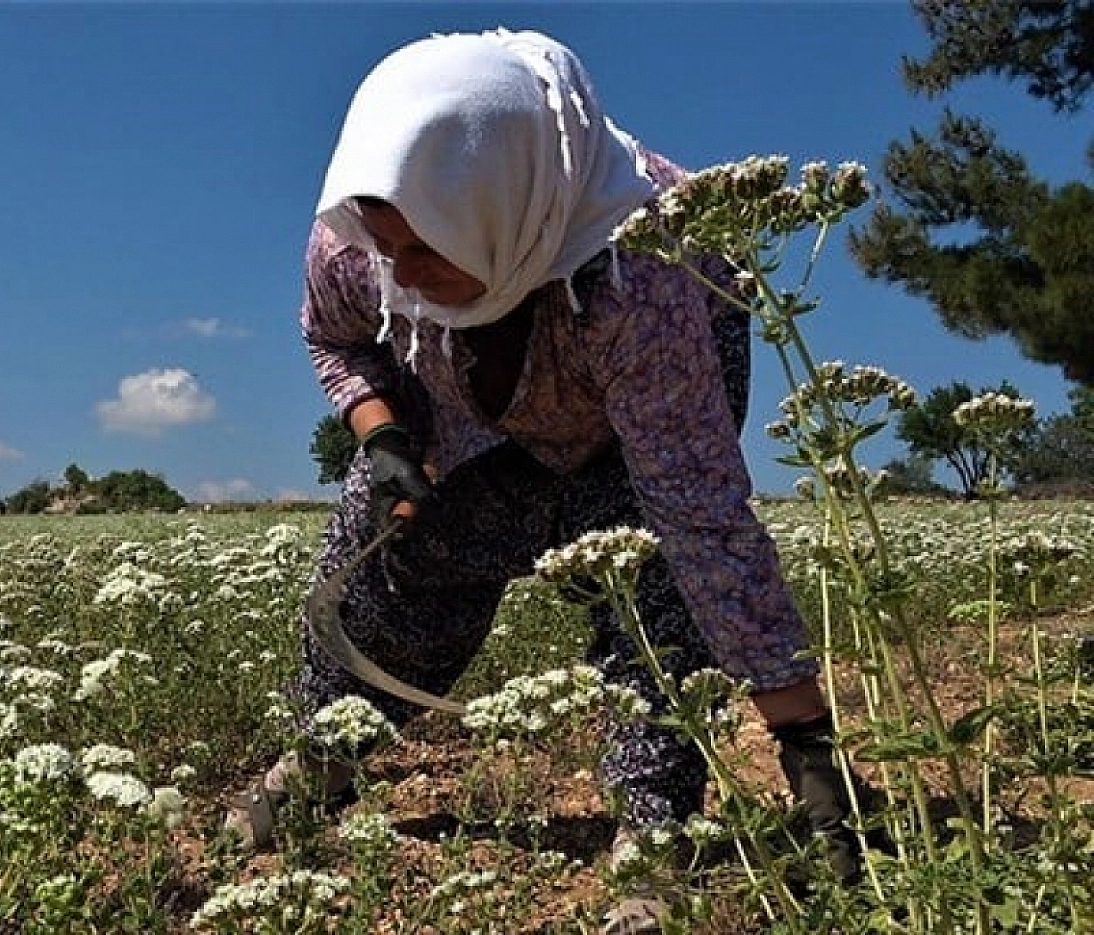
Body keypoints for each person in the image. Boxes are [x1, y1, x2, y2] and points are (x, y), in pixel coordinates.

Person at [224, 28, 879, 933]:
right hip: (462, 392)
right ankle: (326, 754)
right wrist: (381, 434)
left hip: (638, 397)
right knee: (396, 557)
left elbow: (705, 521)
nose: (400, 277)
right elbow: (334, 337)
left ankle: (653, 836)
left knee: (652, 579)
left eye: (426, 253)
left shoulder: (642, 276)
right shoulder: (362, 243)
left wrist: (806, 743)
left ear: (496, 211)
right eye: (389, 250)